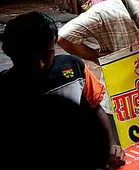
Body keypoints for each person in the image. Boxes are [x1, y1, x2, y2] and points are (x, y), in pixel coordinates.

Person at [0, 12, 125, 169]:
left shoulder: (74, 67)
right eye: (30, 58)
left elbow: (95, 107)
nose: (40, 64)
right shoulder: (5, 89)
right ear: (12, 54)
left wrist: (111, 146)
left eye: (47, 54)